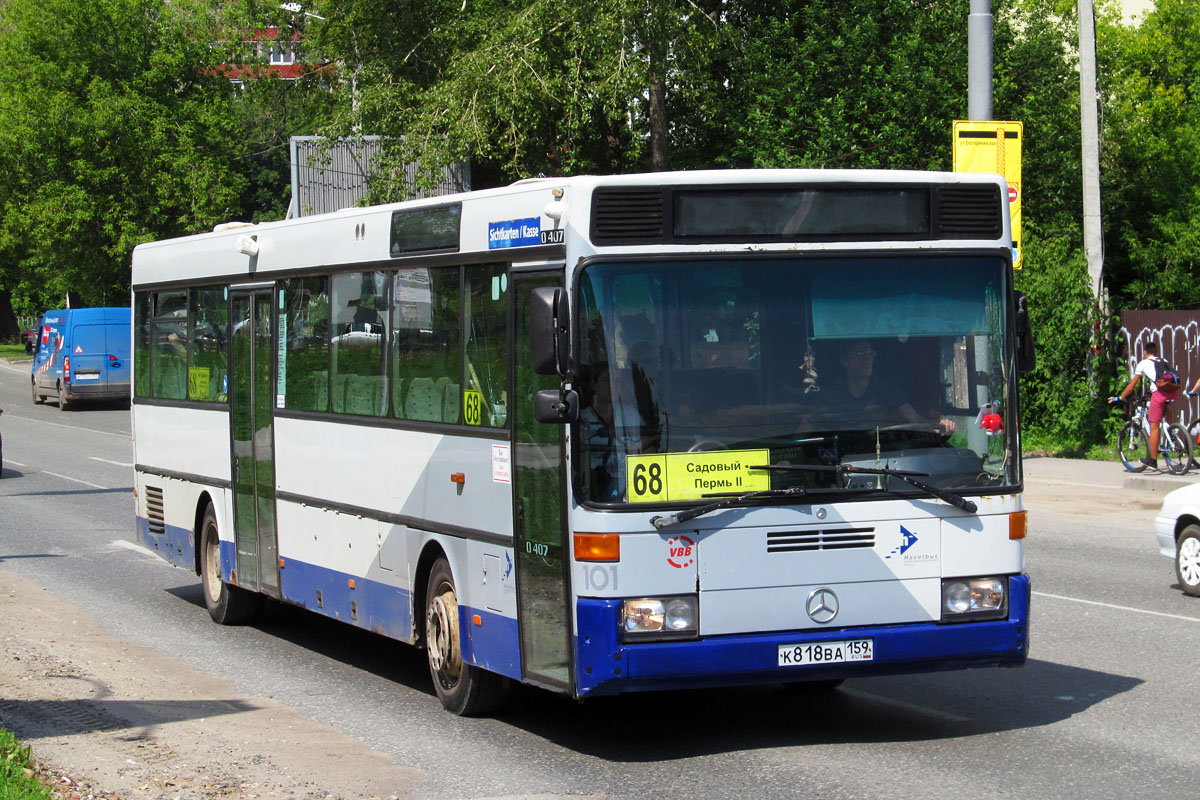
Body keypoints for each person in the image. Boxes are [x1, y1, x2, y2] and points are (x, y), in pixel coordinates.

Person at [829, 339, 956, 433]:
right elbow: (813, 421)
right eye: (859, 354)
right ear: (844, 361)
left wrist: (937, 425)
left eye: (869, 353)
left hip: (882, 451)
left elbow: (914, 418)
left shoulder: (886, 390)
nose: (867, 359)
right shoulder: (831, 394)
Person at [1110, 340, 1179, 470]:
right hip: (1172, 392)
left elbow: (1132, 386)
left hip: (1159, 394)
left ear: (1145, 352)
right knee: (1165, 411)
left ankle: (1152, 461)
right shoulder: (1163, 360)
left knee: (1154, 426)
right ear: (1156, 352)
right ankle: (1171, 433)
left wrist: (1120, 397)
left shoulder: (1143, 364)